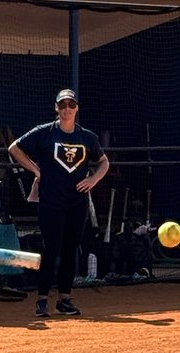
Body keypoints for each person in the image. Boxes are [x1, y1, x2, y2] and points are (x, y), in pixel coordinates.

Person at [8, 88, 109, 319]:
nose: (66, 109)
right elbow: (14, 148)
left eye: (71, 105)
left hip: (77, 202)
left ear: (77, 108)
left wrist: (93, 179)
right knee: (51, 249)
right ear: (56, 108)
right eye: (62, 105)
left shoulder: (87, 137)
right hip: (51, 202)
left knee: (70, 250)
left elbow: (103, 162)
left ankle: (65, 299)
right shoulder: (44, 132)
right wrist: (36, 170)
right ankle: (42, 300)